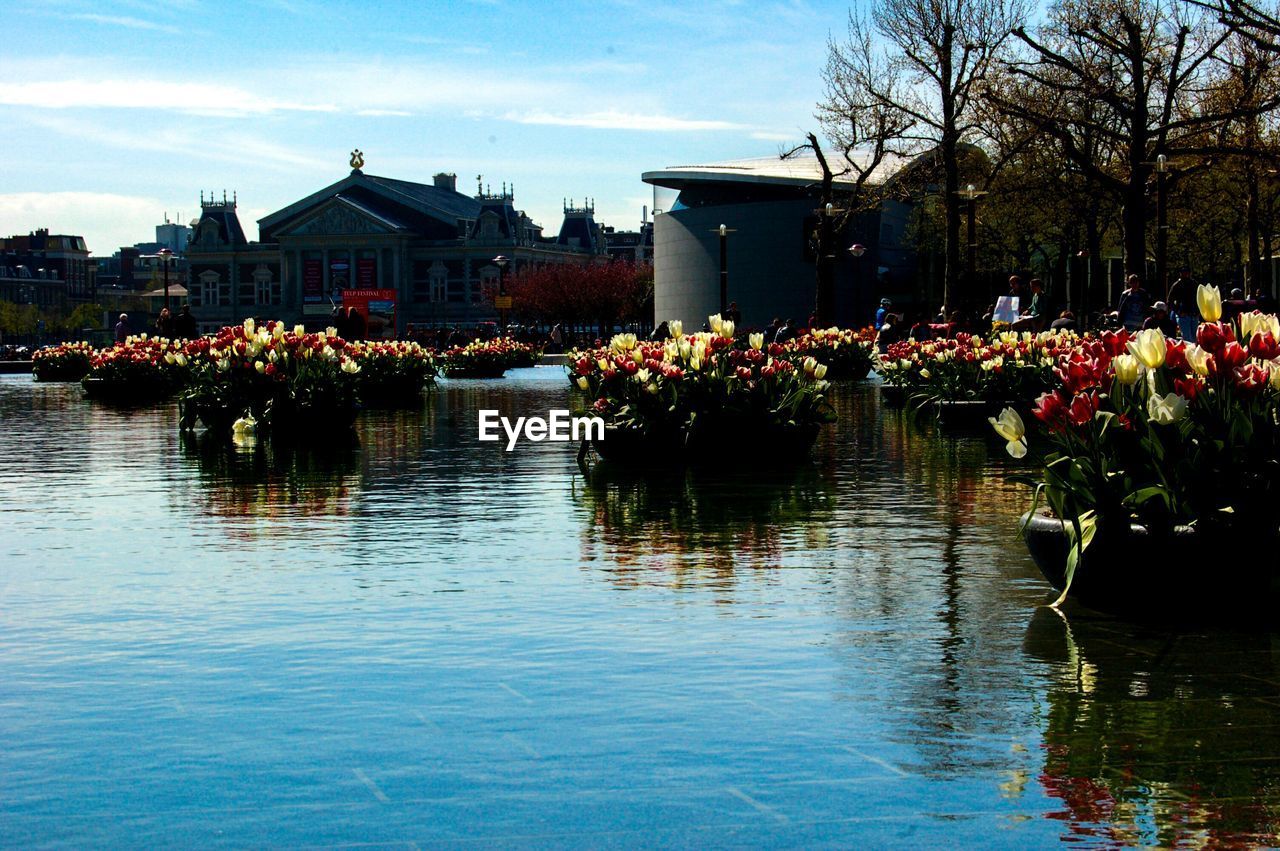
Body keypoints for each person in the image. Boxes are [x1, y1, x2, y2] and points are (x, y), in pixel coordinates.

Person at [1167, 268, 1198, 340]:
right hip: (1183, 316)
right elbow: (1169, 301)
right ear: (1180, 273)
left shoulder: (1194, 284)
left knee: (1195, 338)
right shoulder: (1177, 285)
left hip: (1194, 315)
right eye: (1184, 272)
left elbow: (1200, 298)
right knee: (1187, 339)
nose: (1186, 274)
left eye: (1187, 272)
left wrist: (1198, 312)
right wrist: (1178, 312)